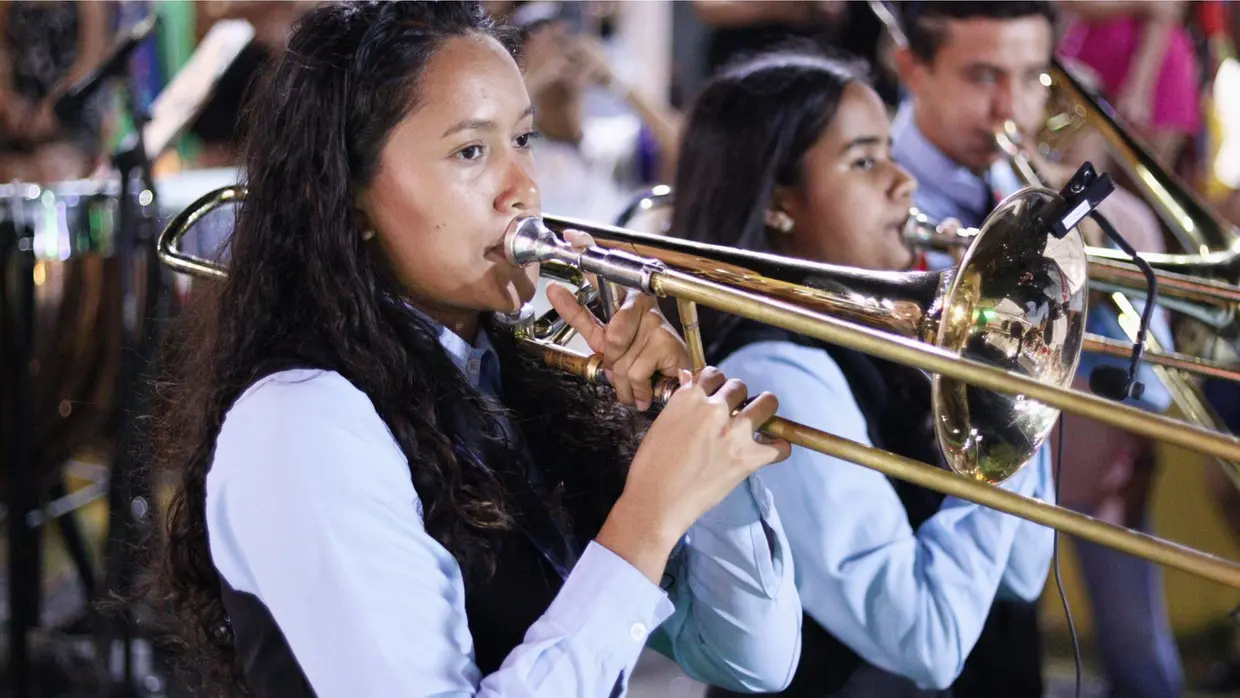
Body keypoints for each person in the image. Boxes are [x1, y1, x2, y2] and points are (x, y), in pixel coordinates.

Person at [146, 3, 805, 696]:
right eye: (470, 151)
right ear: (348, 196)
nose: (524, 189)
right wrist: (647, 516)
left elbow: (749, 660)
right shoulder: (302, 419)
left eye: (523, 139)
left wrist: (691, 441)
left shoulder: (509, 379)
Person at [672, 48, 1055, 698]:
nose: (902, 181)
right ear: (778, 205)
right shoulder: (775, 373)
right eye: (863, 160)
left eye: (888, 151)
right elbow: (926, 642)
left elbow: (1021, 575)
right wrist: (996, 410)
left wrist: (1017, 381)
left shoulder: (882, 339)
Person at [890, 3, 1184, 696]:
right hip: (902, 562)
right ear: (911, 66)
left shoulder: (1047, 195)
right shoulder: (865, 186)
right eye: (981, 76)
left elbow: (1159, 393)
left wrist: (1104, 283)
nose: (1008, 109)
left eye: (1030, 78)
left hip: (1018, 555)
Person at [0, 0, 112, 183]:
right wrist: (10, 101)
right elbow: (2, 49)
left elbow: (92, 58)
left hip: (75, 110)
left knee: (52, 170)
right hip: (18, 119)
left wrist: (53, 109)